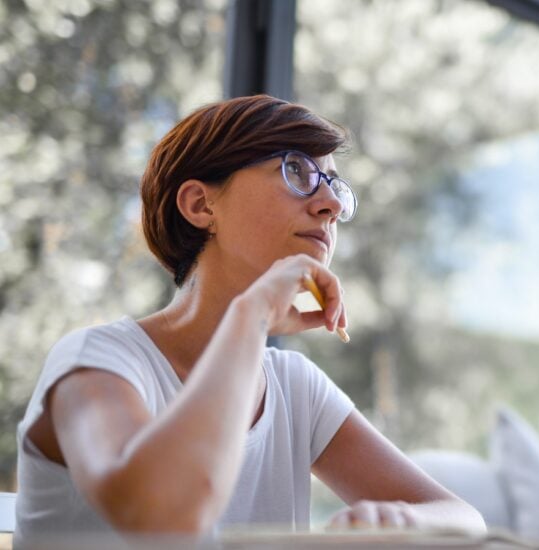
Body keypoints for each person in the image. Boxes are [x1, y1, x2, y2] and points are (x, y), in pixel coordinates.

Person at [14, 95, 486, 542]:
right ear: (201, 205)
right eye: (296, 170)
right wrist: (252, 313)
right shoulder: (97, 362)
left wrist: (398, 520)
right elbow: (164, 516)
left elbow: (465, 520)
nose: (333, 206)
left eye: (335, 186)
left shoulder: (295, 387)